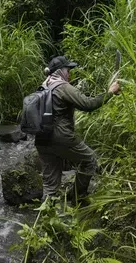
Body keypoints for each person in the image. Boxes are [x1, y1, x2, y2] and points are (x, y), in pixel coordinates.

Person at [35, 55, 121, 203]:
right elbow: (88, 104)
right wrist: (110, 92)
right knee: (90, 161)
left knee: (50, 186)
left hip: (41, 140)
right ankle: (77, 197)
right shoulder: (62, 87)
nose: (69, 74)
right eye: (68, 70)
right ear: (61, 71)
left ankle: (46, 219)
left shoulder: (43, 87)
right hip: (61, 137)